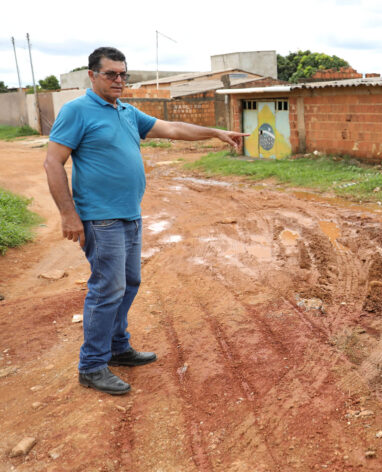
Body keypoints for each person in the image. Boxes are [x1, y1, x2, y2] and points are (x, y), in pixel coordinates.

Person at [44, 46, 247, 395]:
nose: (119, 80)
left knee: (129, 282)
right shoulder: (77, 111)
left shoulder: (125, 111)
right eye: (111, 74)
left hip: (129, 215)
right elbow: (52, 162)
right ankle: (92, 365)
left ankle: (118, 347)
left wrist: (215, 132)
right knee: (106, 289)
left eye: (124, 74)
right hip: (100, 218)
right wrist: (68, 214)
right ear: (92, 75)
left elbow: (172, 128)